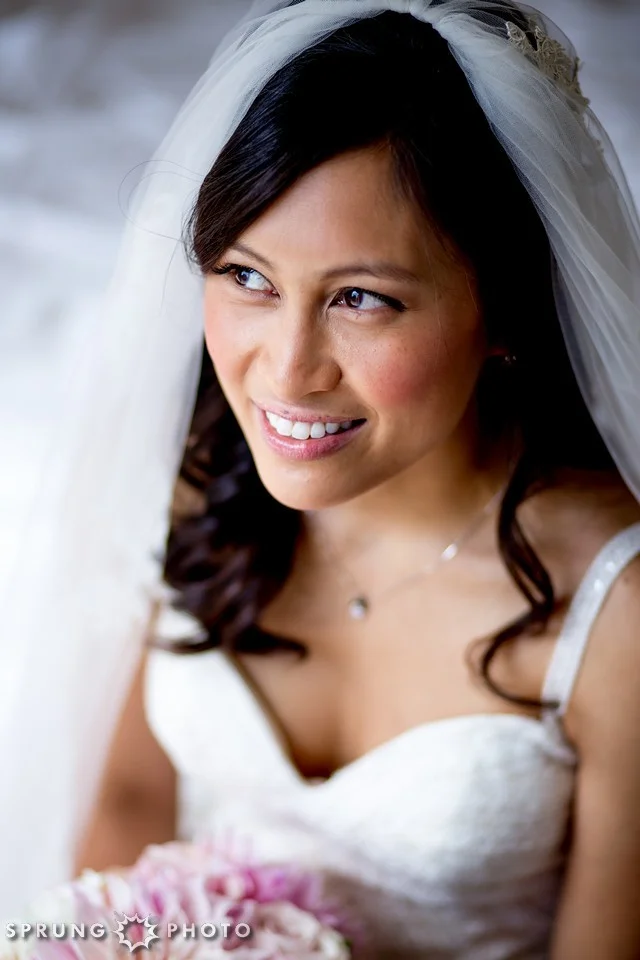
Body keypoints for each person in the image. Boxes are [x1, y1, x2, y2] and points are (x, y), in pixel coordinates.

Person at [6, 0, 640, 956]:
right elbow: (131, 803)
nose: (287, 369)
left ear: (505, 310)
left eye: (360, 298)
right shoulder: (199, 481)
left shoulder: (617, 610)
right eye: (247, 277)